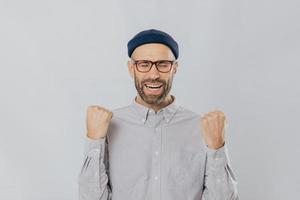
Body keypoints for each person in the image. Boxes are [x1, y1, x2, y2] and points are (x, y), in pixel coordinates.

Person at [78, 29, 238, 200]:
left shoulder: (202, 127)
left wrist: (217, 148)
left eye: (163, 64)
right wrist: (95, 142)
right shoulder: (108, 126)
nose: (153, 75)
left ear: (174, 68)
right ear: (131, 69)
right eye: (144, 64)